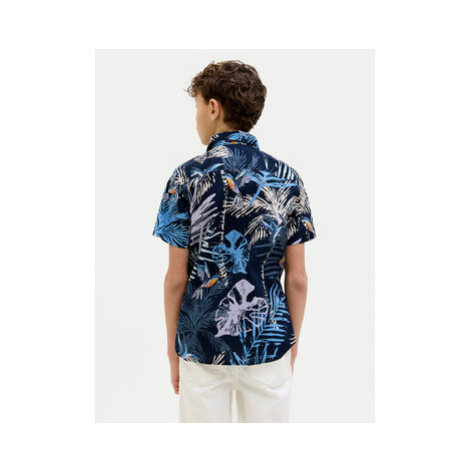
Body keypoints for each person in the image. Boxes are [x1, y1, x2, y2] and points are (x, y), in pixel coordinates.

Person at [152, 60, 317, 423]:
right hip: (267, 342)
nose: (196, 117)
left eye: (197, 106)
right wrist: (291, 341)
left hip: (201, 345)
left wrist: (172, 349)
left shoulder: (186, 177)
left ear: (213, 108)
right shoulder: (287, 179)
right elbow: (298, 278)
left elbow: (176, 278)